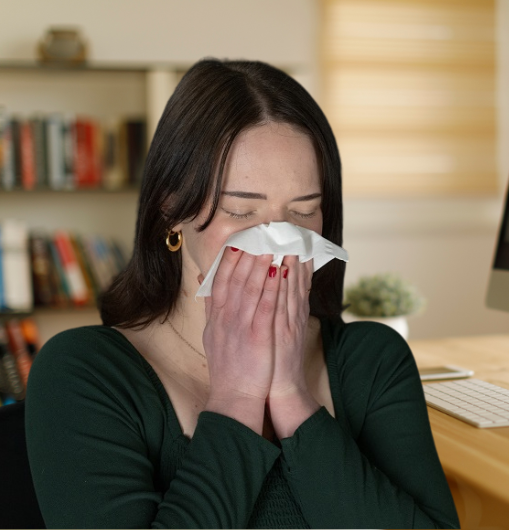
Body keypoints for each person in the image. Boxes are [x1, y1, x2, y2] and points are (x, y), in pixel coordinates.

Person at [24, 59, 460, 529]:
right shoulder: (86, 373)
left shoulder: (373, 361)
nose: (277, 243)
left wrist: (291, 396)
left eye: (303, 211)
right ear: (172, 209)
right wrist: (238, 397)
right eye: (241, 211)